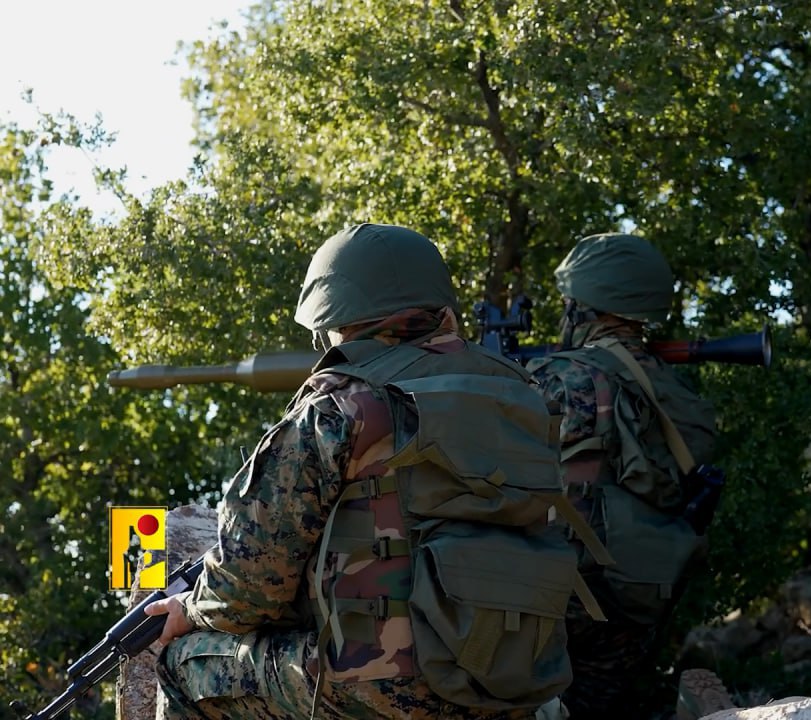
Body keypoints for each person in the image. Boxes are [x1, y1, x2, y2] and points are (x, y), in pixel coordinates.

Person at [144, 223, 584, 720]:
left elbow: (248, 592)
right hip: (510, 679)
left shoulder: (338, 409)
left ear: (334, 318)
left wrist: (188, 610)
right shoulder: (524, 396)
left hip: (385, 689)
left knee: (185, 665)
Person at [526, 233, 721, 719]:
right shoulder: (671, 388)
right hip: (638, 598)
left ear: (584, 307)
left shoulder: (563, 377)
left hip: (556, 601)